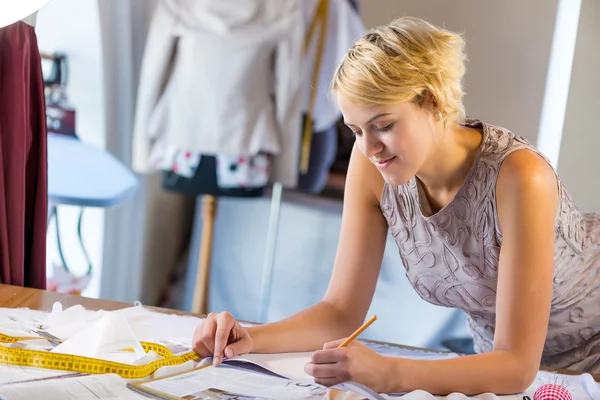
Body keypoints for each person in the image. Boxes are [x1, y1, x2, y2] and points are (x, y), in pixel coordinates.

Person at [192, 16, 600, 395]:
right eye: (355, 131)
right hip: (506, 371)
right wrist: (249, 338)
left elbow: (516, 366)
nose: (369, 148)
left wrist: (388, 372)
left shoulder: (520, 178)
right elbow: (339, 311)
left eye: (383, 125)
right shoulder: (371, 163)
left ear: (433, 101)